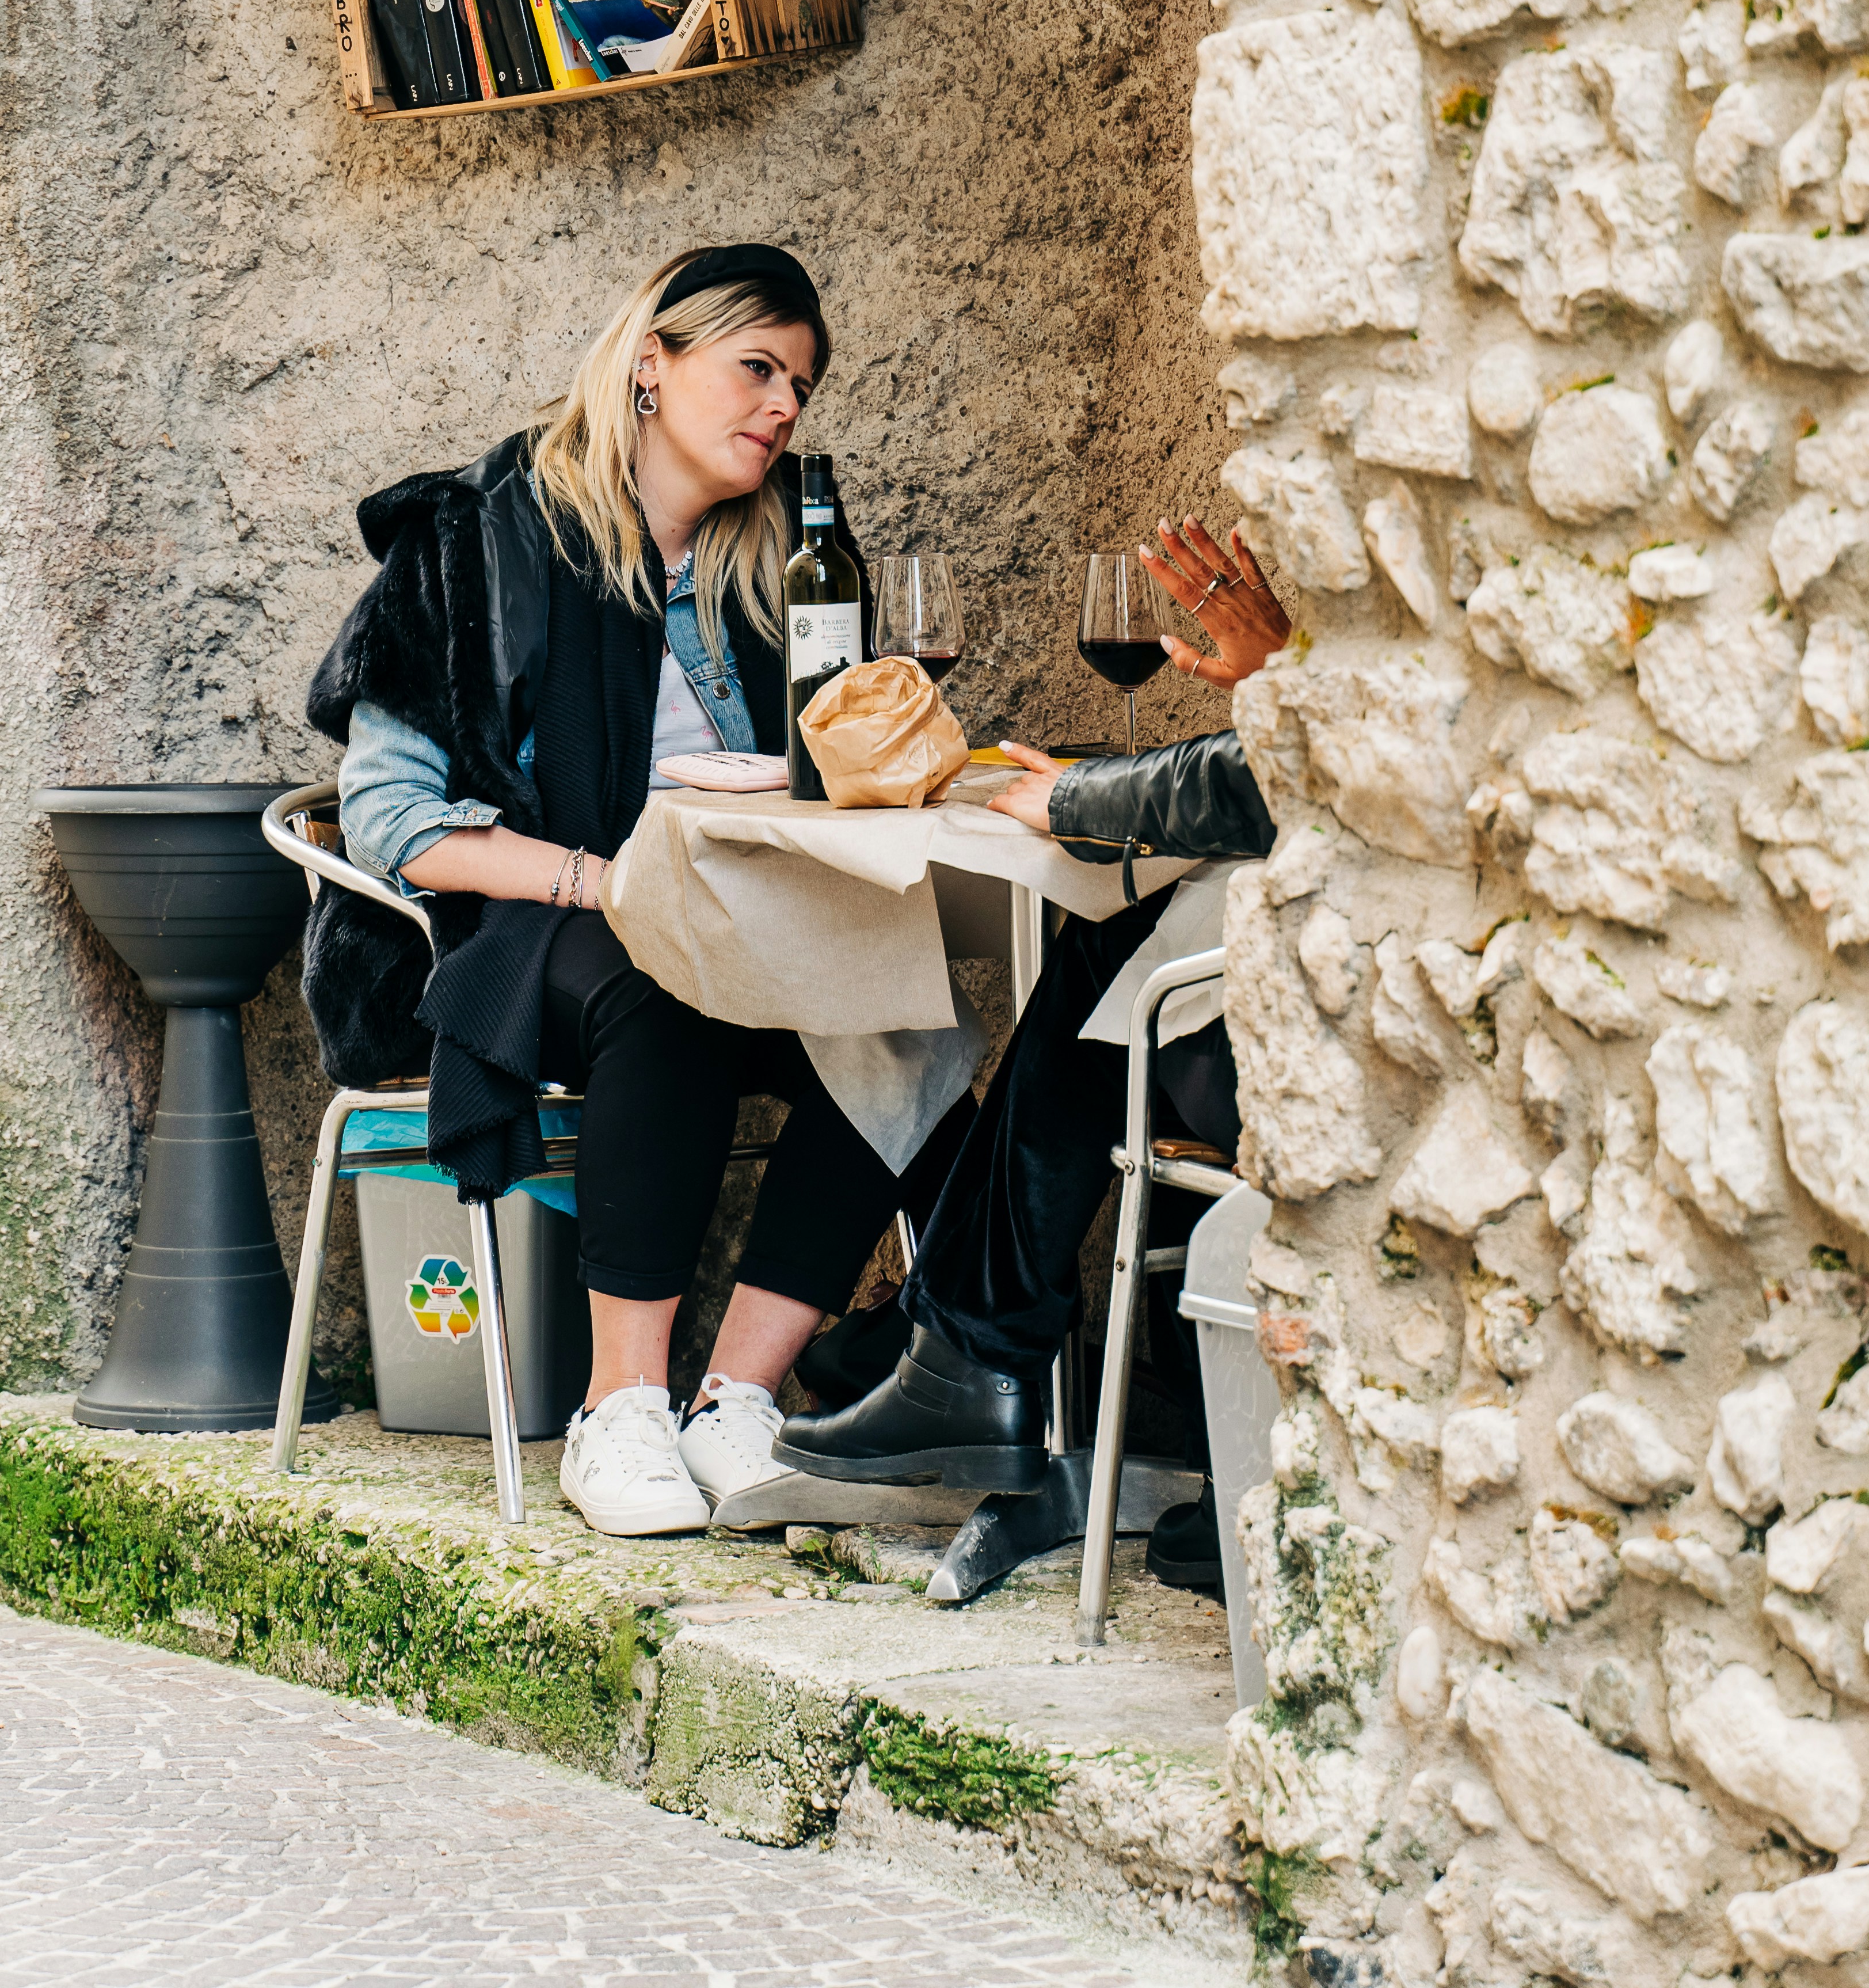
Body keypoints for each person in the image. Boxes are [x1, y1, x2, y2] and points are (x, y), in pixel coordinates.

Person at [303, 241, 970, 1544]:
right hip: (516, 931)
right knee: (655, 992)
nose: (782, 407)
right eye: (756, 368)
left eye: (801, 385)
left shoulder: (769, 569)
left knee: (904, 1015)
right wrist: (599, 882)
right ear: (653, 365)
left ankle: (736, 1404)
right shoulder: (480, 538)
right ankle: (619, 1411)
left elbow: (816, 775)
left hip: (727, 916)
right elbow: (390, 820)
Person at [767, 519, 1289, 1587]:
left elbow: (1269, 775)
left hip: (1310, 1054)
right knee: (1127, 950)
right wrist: (1288, 681)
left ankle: (963, 1356)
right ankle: (970, 1355)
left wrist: (1076, 798)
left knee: (1124, 963)